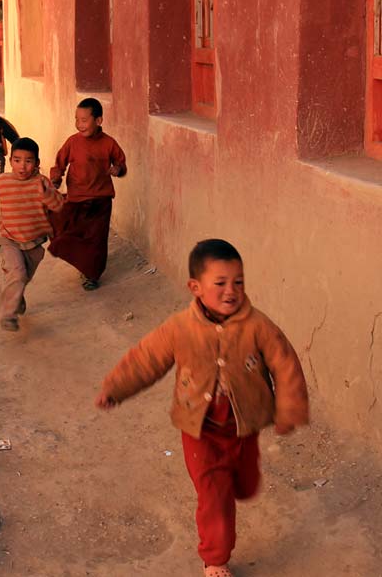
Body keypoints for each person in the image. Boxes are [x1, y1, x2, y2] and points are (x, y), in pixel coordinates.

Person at [95, 238, 309, 577]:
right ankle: (215, 557)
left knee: (245, 484)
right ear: (195, 287)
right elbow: (146, 358)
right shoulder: (180, 328)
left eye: (238, 282)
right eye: (220, 283)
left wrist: (289, 409)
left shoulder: (258, 325)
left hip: (244, 424)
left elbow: (285, 363)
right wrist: (116, 387)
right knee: (214, 494)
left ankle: (235, 483)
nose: (231, 291)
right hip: (200, 428)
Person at [0, 137, 64, 332]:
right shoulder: (2, 181)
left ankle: (15, 300)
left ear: (37, 163)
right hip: (9, 240)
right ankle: (7, 313)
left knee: (21, 278)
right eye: (17, 160)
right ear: (10, 161)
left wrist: (46, 195)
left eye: (28, 161)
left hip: (34, 244)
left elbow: (58, 206)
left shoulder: (42, 183)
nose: (22, 166)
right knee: (17, 273)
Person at [48, 97, 126, 291]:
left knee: (97, 239)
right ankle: (81, 262)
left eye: (84, 120)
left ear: (98, 121)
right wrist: (56, 179)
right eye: (76, 119)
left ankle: (91, 275)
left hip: (101, 200)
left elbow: (121, 163)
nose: (79, 125)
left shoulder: (108, 143)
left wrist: (117, 169)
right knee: (70, 231)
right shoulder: (73, 142)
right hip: (76, 198)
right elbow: (59, 164)